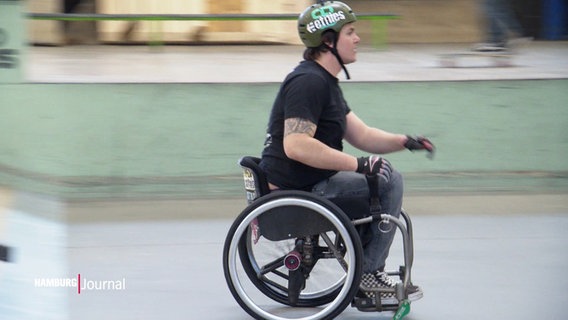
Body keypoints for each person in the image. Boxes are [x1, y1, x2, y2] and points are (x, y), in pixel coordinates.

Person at [258, 1, 434, 305]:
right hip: (300, 189)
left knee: (383, 174)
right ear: (328, 41)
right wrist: (358, 164)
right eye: (350, 32)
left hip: (310, 183)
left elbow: (361, 135)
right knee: (389, 181)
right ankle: (368, 275)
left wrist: (405, 141)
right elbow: (296, 145)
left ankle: (365, 270)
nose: (358, 38)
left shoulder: (325, 83)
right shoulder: (309, 82)